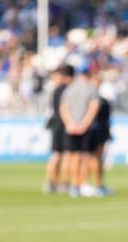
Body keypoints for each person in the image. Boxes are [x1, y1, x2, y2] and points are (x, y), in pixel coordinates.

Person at [59, 62, 101, 198]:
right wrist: (84, 124)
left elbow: (63, 108)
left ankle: (74, 185)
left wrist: (70, 124)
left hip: (71, 127)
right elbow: (94, 107)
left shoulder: (69, 89)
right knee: (89, 156)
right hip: (86, 128)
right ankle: (88, 184)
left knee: (73, 156)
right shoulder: (91, 88)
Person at [42, 64, 74, 194]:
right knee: (66, 154)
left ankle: (51, 182)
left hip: (56, 125)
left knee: (56, 154)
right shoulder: (67, 90)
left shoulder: (56, 90)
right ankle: (64, 182)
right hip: (65, 125)